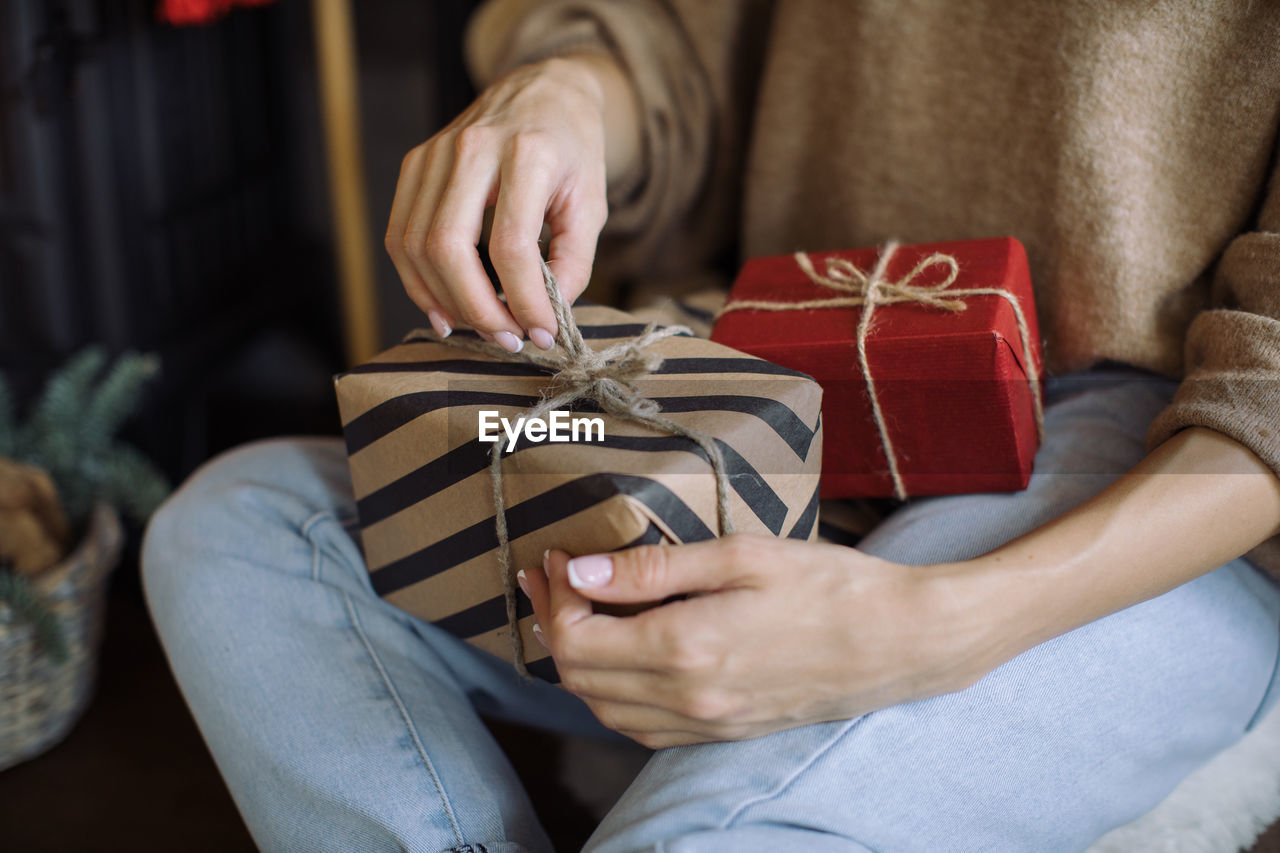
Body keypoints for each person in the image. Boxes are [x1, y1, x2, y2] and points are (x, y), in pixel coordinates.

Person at [143, 2, 1280, 850]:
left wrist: (944, 626)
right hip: (771, 348)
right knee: (241, 526)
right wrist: (569, 94)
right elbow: (677, 54)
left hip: (1156, 451)